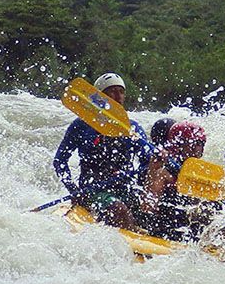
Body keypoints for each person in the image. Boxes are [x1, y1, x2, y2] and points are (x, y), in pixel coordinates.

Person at [53, 72, 152, 230]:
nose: (118, 96)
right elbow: (59, 160)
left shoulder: (132, 128)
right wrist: (73, 189)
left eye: (121, 91)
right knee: (119, 209)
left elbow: (148, 161)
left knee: (156, 211)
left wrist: (143, 180)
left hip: (125, 188)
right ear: (100, 97)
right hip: (92, 190)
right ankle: (135, 246)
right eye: (112, 91)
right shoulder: (81, 126)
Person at [138, 121, 210, 241]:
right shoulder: (162, 170)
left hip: (189, 228)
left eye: (202, 143)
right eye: (196, 143)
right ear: (179, 144)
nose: (200, 148)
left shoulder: (198, 170)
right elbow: (148, 206)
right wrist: (153, 168)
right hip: (166, 228)